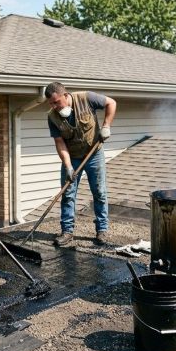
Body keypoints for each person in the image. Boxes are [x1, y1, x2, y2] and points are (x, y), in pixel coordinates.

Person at [45, 82, 117, 247]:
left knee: (99, 192)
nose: (54, 106)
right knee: (68, 193)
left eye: (56, 102)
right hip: (72, 157)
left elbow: (111, 103)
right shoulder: (52, 116)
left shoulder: (86, 98)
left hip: (94, 154)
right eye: (51, 103)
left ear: (65, 95)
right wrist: (68, 166)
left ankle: (102, 230)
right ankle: (67, 231)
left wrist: (106, 126)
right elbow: (59, 142)